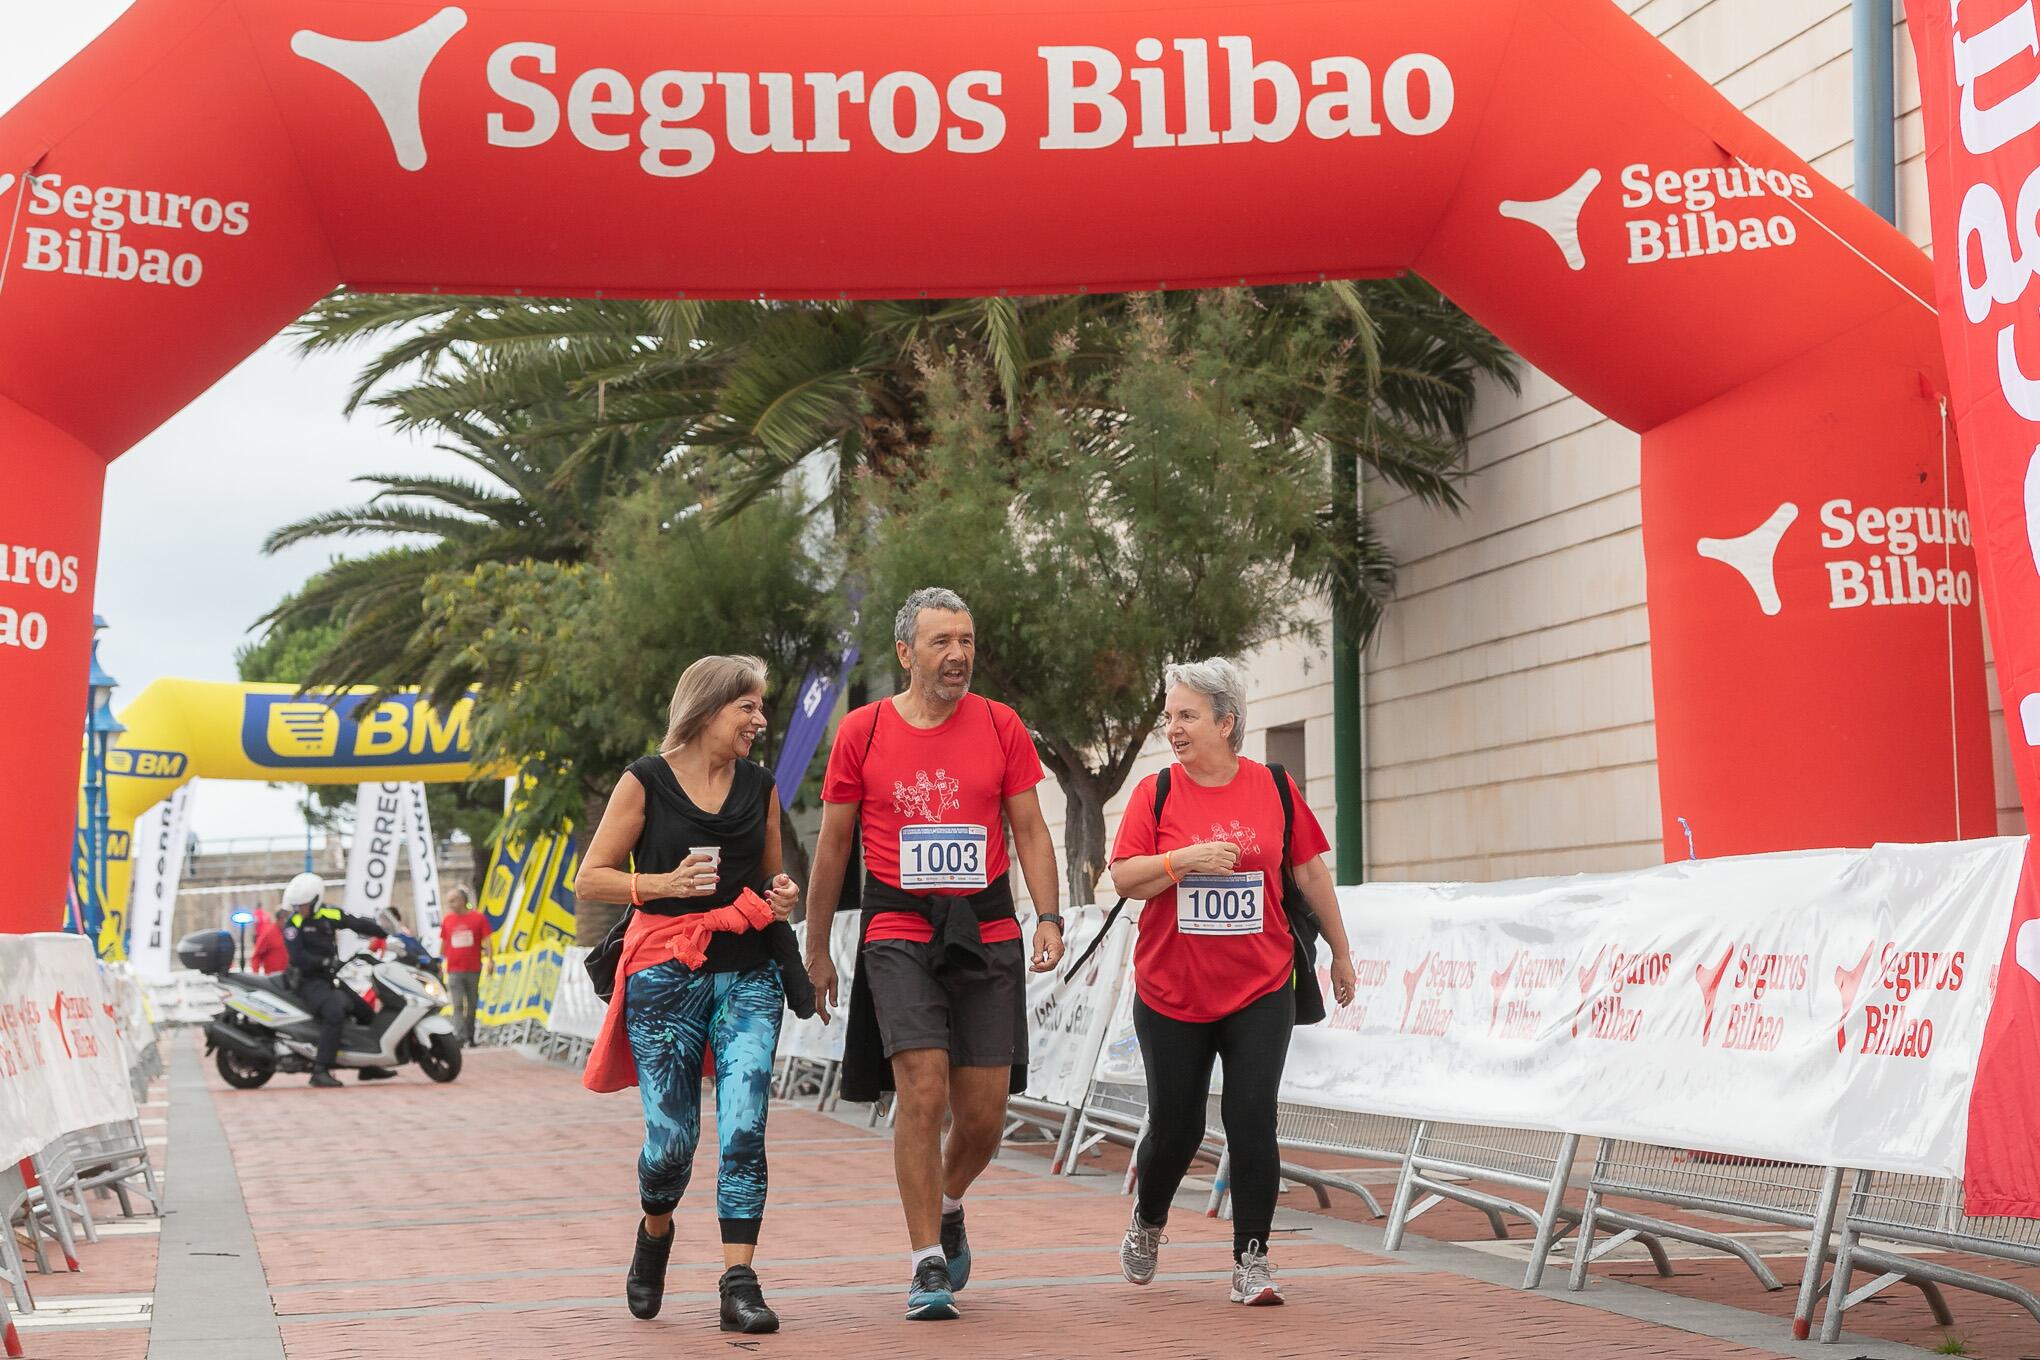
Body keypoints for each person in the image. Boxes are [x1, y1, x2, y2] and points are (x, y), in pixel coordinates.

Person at [803, 587, 1065, 1322]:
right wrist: (818, 946)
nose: (958, 655)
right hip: (898, 925)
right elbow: (832, 844)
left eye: (968, 641)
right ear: (905, 653)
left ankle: (949, 1204)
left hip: (983, 924)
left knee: (982, 1116)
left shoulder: (1002, 725)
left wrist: (1047, 915)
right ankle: (924, 1262)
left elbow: (1033, 832)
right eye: (942, 641)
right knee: (922, 1090)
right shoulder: (862, 731)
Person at [1107, 657, 1359, 1306]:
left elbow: (1307, 873)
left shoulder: (1273, 787)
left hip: (1260, 986)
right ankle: (1149, 1218)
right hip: (1171, 992)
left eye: (1187, 716)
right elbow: (1126, 878)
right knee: (1177, 1128)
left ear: (1227, 721)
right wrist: (1181, 860)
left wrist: (1340, 951)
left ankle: (1252, 1258)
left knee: (1252, 1120)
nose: (1175, 729)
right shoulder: (1156, 793)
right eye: (1171, 717)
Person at [572, 655, 803, 1335]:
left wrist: (781, 894)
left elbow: (769, 878)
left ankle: (740, 1281)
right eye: (749, 708)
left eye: (762, 708)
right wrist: (665, 884)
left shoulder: (759, 786)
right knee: (672, 1142)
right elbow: (592, 879)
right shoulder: (644, 781)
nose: (761, 721)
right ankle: (655, 1230)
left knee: (744, 1129)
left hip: (748, 973)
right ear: (707, 710)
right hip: (665, 973)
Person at [279, 873, 395, 1089]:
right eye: (296, 906)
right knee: (334, 1014)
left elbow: (354, 922)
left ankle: (368, 1065)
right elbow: (298, 958)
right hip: (307, 981)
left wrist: (385, 933)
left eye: (302, 906)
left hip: (328, 978)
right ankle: (320, 1070)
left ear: (316, 901)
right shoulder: (293, 925)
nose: (298, 910)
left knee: (366, 1012)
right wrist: (325, 961)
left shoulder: (328, 913)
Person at [439, 884, 492, 1045]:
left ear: (462, 901)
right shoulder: (447, 920)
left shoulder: (478, 918)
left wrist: (490, 959)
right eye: (449, 902)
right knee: (457, 1005)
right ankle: (459, 1037)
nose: (450, 905)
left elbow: (487, 940)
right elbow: (444, 942)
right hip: (454, 970)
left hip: (473, 969)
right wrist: (440, 962)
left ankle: (470, 1035)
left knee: (472, 1004)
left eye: (453, 901)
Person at [248, 905, 288, 973]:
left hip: (289, 976)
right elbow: (257, 955)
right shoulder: (268, 933)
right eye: (284, 919)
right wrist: (255, 973)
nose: (286, 922)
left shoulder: (290, 932)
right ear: (279, 919)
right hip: (273, 977)